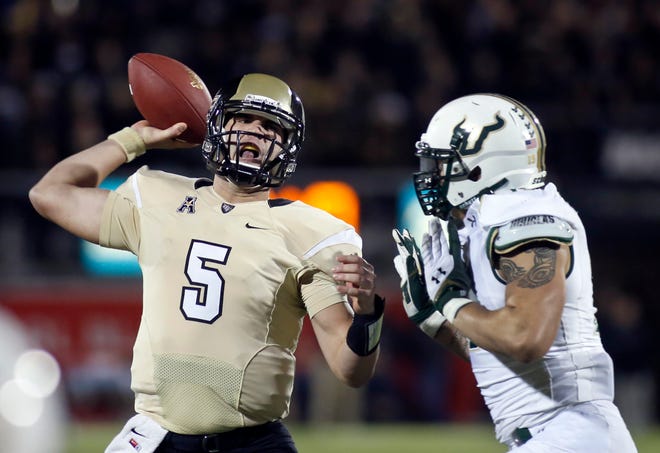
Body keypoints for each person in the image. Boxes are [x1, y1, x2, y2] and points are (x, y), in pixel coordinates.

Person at [29, 73, 384, 453]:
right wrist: (132, 139)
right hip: (155, 434)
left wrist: (366, 316)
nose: (255, 132)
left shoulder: (312, 232)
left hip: (253, 442)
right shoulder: (158, 196)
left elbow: (351, 370)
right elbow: (49, 193)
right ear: (216, 126)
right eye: (243, 118)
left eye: (270, 127)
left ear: (287, 146)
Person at [392, 93, 637, 452]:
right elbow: (506, 356)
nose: (432, 175)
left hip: (569, 433)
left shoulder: (522, 216)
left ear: (481, 164)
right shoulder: (492, 220)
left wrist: (452, 302)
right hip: (562, 435)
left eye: (442, 163)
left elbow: (526, 338)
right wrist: (437, 321)